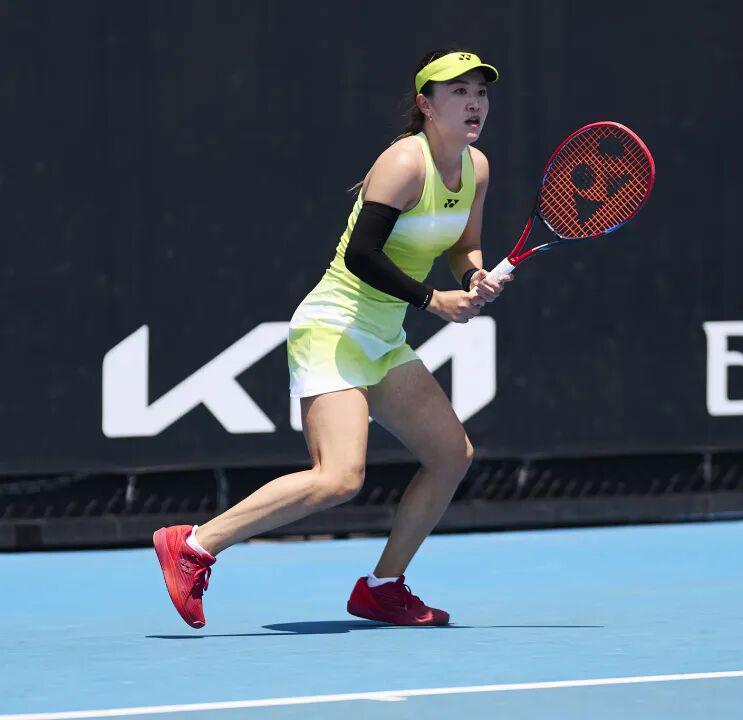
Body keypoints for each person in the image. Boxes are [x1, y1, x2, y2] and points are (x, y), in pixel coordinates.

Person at [152, 48, 511, 628]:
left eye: (481, 92)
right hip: (334, 328)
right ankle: (193, 545)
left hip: (383, 337)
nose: (474, 103)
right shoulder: (404, 162)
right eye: (458, 91)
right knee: (339, 478)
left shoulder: (477, 168)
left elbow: (462, 246)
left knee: (451, 455)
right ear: (426, 105)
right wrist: (432, 300)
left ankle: (383, 587)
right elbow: (360, 255)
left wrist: (472, 277)